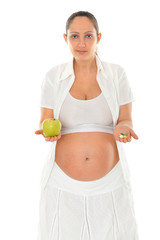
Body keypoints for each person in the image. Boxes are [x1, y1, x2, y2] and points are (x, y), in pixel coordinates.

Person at [35, 11, 139, 240]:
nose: (81, 43)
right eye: (74, 36)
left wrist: (123, 131)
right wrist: (46, 130)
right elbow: (45, 119)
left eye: (88, 36)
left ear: (99, 37)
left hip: (111, 181)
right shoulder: (53, 76)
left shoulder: (117, 74)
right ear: (65, 38)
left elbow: (126, 120)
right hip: (61, 182)